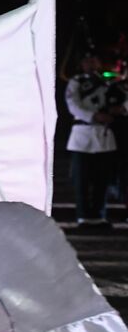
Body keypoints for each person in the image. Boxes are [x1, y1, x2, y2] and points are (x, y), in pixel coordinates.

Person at [65, 52, 123, 225]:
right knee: (82, 179)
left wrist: (119, 110)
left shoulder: (109, 82)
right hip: (82, 135)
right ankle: (83, 215)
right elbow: (73, 105)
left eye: (94, 60)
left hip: (104, 136)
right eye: (87, 61)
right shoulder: (76, 82)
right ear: (82, 64)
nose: (91, 64)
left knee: (102, 180)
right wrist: (94, 115)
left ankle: (99, 214)